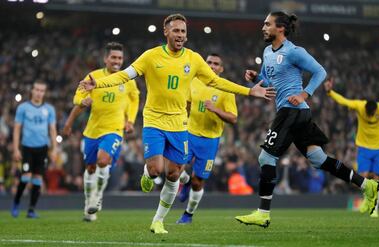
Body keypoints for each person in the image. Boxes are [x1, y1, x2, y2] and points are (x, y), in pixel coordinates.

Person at [80, 13, 275, 234]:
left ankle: (158, 221)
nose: (180, 35)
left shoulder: (193, 59)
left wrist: (249, 91)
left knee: (173, 174)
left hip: (179, 124)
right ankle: (148, 173)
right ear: (166, 32)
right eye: (176, 30)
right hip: (154, 119)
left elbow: (217, 81)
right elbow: (125, 75)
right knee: (155, 171)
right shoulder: (151, 56)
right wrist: (99, 84)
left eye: (183, 31)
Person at [235, 12, 379, 228]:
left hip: (291, 111)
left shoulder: (294, 52)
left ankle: (263, 213)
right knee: (318, 159)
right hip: (295, 112)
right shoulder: (267, 52)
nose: (263, 27)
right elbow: (270, 83)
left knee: (266, 158)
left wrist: (305, 93)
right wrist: (257, 78)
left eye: (267, 24)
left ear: (281, 28)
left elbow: (320, 72)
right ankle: (367, 185)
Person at [63, 42, 139, 222]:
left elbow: (134, 99)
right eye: (113, 57)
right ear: (106, 59)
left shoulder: (127, 79)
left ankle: (97, 198)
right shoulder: (93, 77)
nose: (117, 61)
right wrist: (81, 102)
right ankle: (89, 203)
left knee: (103, 160)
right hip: (92, 130)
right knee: (90, 168)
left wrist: (130, 121)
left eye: (120, 58)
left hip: (114, 129)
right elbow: (78, 96)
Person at [324, 77, 379, 217]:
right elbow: (344, 101)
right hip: (364, 147)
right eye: (368, 114)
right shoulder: (360, 106)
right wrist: (330, 92)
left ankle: (374, 209)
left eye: (372, 115)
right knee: (362, 177)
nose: (370, 117)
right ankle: (367, 199)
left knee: (377, 177)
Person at [176, 53, 238, 224]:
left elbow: (233, 118)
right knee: (174, 168)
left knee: (198, 181)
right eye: (209, 62)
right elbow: (187, 103)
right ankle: (185, 181)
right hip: (189, 134)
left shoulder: (226, 89)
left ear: (221, 69)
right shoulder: (194, 81)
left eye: (216, 64)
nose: (211, 66)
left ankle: (188, 214)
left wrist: (216, 110)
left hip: (210, 141)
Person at [11, 80, 57, 218]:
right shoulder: (23, 108)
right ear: (32, 90)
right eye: (37, 90)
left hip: (42, 148)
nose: (39, 93)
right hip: (27, 147)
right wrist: (15, 149)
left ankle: (31, 210)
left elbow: (53, 129)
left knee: (37, 179)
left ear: (44, 92)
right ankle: (16, 202)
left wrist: (55, 149)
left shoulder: (49, 109)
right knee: (25, 177)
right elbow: (17, 129)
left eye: (42, 90)